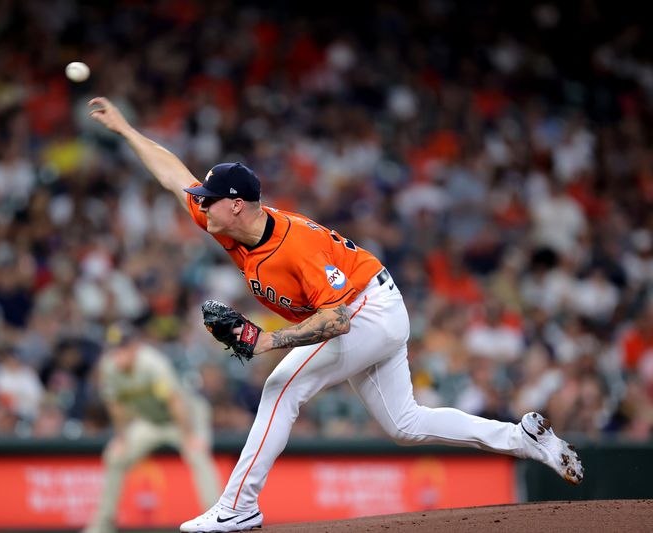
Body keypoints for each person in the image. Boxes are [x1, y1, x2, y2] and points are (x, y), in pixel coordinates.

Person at [87, 97, 584, 533]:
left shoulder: (295, 245)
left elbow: (339, 321)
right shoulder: (226, 223)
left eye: (210, 201)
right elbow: (177, 179)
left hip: (369, 308)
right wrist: (128, 131)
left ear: (236, 206)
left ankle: (237, 506)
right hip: (367, 308)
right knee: (405, 424)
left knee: (282, 386)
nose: (201, 205)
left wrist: (267, 343)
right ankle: (523, 438)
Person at [83, 323, 220, 533]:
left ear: (135, 347)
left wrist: (190, 436)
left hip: (186, 417)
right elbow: (115, 405)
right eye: (114, 348)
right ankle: (102, 525)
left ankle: (217, 521)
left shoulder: (152, 363)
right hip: (151, 421)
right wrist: (122, 437)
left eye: (123, 347)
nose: (118, 353)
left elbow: (175, 402)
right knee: (114, 456)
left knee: (198, 454)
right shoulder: (108, 367)